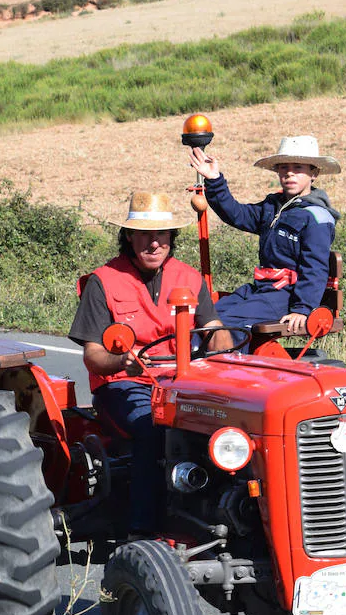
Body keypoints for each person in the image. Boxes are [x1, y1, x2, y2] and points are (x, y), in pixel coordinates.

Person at [69, 190, 231, 538]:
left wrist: (223, 343)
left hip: (183, 381)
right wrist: (121, 362)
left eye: (161, 234)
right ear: (129, 236)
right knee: (152, 428)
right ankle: (142, 531)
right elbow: (93, 355)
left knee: (230, 424)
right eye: (144, 234)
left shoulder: (189, 277)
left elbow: (214, 329)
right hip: (126, 385)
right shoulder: (104, 281)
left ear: (172, 237)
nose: (153, 244)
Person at [189, 135, 341, 335]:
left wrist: (302, 310)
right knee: (204, 316)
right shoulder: (272, 207)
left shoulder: (317, 218)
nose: (289, 173)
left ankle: (227, 363)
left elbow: (315, 268)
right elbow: (236, 214)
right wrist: (214, 180)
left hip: (287, 297)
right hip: (262, 290)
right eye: (284, 167)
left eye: (298, 168)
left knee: (223, 325)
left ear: (314, 173)